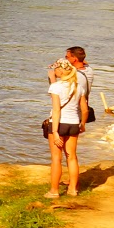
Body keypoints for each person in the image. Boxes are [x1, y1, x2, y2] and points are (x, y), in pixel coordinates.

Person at [47, 59, 87, 198]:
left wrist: (55, 131)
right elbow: (84, 109)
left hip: (59, 124)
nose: (54, 71)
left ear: (61, 71)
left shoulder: (55, 87)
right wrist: (82, 124)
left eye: (55, 69)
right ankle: (72, 189)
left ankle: (54, 191)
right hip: (74, 123)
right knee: (71, 157)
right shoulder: (78, 87)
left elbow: (56, 110)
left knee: (56, 158)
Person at [65, 46, 95, 128]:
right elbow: (85, 62)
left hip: (73, 111)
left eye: (67, 57)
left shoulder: (74, 75)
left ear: (74, 59)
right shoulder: (89, 70)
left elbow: (61, 92)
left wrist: (52, 77)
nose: (65, 60)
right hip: (82, 108)